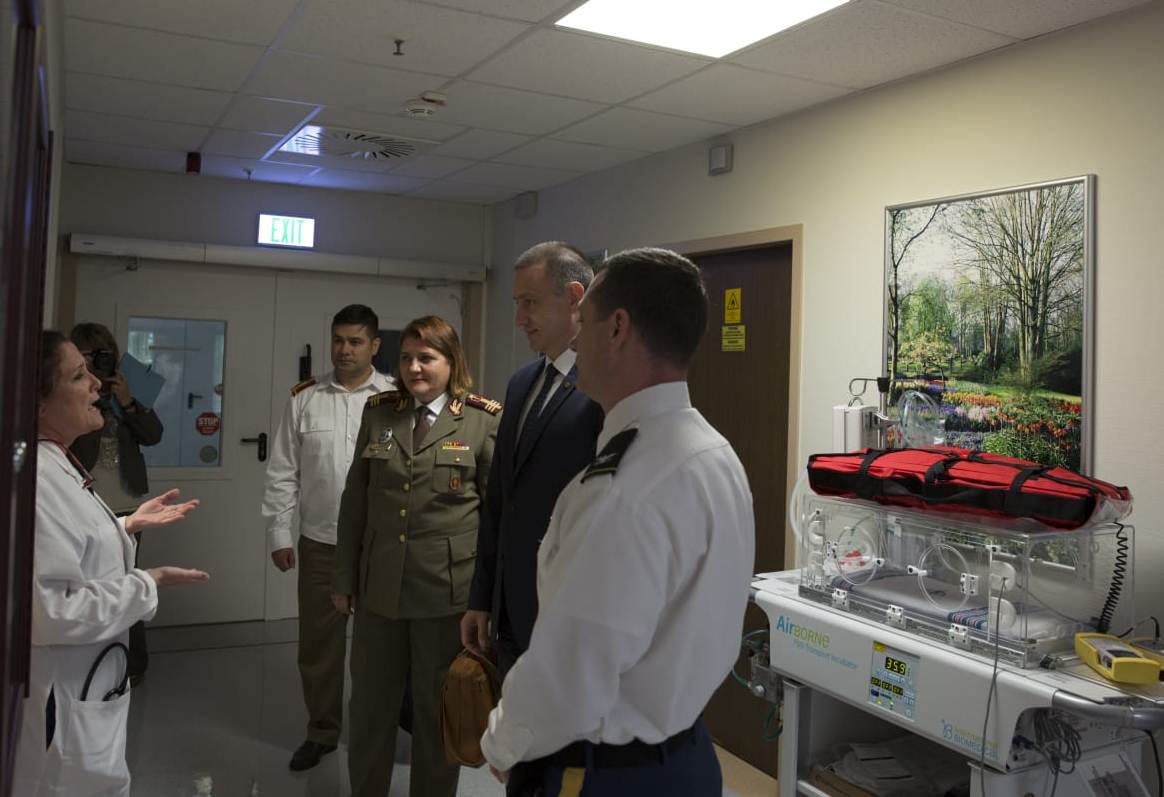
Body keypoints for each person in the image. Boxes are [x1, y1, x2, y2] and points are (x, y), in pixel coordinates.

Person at [480, 248, 756, 796]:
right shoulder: (713, 454)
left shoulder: (624, 491)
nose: (575, 341)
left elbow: (570, 671)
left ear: (617, 329)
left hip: (607, 773)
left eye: (584, 322)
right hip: (686, 757)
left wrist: (503, 742)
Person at [14, 331, 209, 797]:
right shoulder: (37, 477)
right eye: (79, 375)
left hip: (89, 689)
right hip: (63, 706)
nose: (97, 384)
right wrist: (148, 583)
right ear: (38, 402)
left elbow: (69, 542)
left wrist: (124, 525)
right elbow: (53, 610)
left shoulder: (55, 460)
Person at [334, 315, 501, 797]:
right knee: (370, 710)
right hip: (380, 591)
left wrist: (487, 599)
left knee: (436, 712)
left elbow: (496, 517)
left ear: (452, 362)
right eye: (406, 358)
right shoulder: (380, 412)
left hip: (446, 595)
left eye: (426, 358)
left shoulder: (482, 419)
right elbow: (355, 502)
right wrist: (344, 579)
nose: (413, 368)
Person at [261, 304, 395, 771]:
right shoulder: (306, 398)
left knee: (378, 648)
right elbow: (283, 471)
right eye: (338, 340)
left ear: (374, 346)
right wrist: (279, 532)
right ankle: (321, 732)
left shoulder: (395, 399)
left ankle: (374, 732)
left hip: (379, 545)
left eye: (355, 341)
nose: (344, 350)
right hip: (321, 543)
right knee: (320, 647)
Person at [461, 241, 604, 677]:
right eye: (517, 304)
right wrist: (482, 597)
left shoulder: (603, 387)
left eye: (530, 303)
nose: (519, 318)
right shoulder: (522, 383)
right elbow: (500, 499)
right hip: (510, 613)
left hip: (569, 615)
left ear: (575, 298)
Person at [69, 322, 165, 684]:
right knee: (84, 581)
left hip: (127, 502)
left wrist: (127, 401)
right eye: (88, 356)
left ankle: (133, 663)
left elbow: (153, 435)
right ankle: (90, 658)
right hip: (83, 500)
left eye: (103, 354)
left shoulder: (129, 388)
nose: (97, 363)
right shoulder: (71, 390)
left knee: (128, 580)